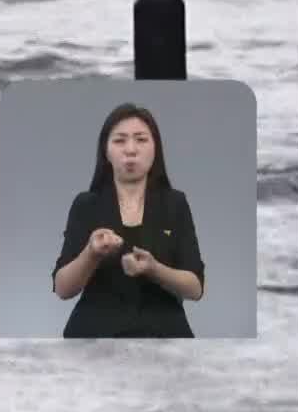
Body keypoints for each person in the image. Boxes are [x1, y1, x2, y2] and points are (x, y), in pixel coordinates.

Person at [51, 103, 206, 337]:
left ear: (156, 149)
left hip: (164, 337)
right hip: (95, 338)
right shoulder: (86, 205)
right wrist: (91, 253)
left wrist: (154, 269)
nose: (131, 150)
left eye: (141, 140)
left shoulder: (175, 204)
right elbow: (63, 288)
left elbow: (195, 288)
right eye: (120, 140)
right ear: (106, 151)